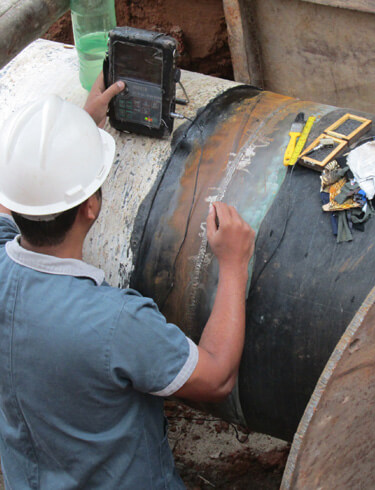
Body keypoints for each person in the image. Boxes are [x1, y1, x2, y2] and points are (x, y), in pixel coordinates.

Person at [0, 74, 255, 489]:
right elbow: (217, 378)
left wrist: (69, 140)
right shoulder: (115, 322)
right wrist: (233, 265)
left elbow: (14, 201)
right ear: (90, 207)